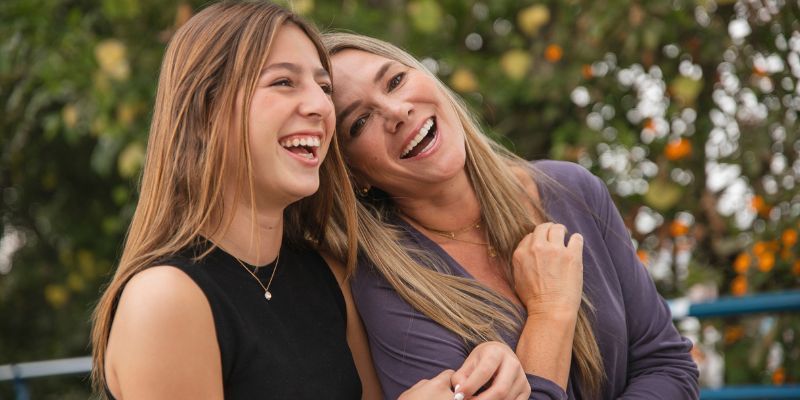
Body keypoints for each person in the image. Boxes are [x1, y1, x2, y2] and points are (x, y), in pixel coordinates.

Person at [90, 2, 530, 399]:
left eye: (322, 87)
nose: (320, 106)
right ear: (205, 113)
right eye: (284, 82)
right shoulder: (166, 300)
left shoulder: (330, 275)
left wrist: (483, 367)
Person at [323, 32, 701, 399]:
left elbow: (667, 364)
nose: (397, 111)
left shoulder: (573, 189)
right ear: (354, 175)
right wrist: (550, 312)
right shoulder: (387, 284)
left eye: (395, 80)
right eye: (359, 122)